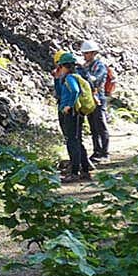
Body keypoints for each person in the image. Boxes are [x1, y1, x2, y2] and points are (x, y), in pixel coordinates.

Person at [54, 52, 91, 182]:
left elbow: (75, 91)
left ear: (64, 66)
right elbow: (59, 92)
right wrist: (57, 79)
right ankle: (85, 170)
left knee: (72, 142)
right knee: (77, 140)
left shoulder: (70, 78)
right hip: (76, 113)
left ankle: (75, 172)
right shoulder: (69, 77)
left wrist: (68, 105)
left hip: (72, 113)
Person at [80, 41, 110, 163]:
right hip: (90, 99)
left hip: (99, 99)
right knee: (93, 126)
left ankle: (105, 152)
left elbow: (95, 79)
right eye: (84, 53)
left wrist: (85, 75)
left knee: (101, 125)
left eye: (87, 53)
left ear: (93, 53)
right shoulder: (86, 66)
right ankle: (97, 151)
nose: (84, 55)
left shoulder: (100, 66)